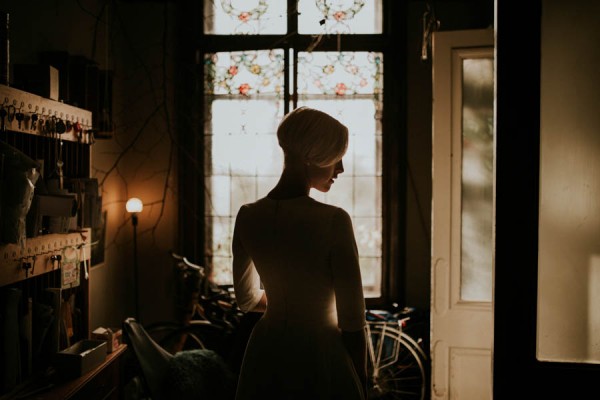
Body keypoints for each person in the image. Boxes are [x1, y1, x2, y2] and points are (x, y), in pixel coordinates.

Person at [232, 106, 368, 399]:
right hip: (320, 353)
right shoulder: (334, 220)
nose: (341, 169)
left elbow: (246, 299)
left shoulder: (247, 216)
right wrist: (364, 382)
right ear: (311, 157)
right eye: (336, 158)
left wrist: (287, 303)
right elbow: (352, 320)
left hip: (265, 352)